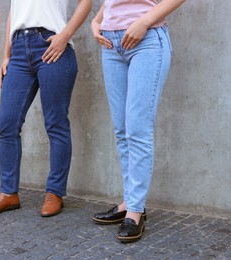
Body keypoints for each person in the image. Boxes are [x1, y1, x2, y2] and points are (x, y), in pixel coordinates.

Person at [0, 0, 92, 217]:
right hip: (19, 48)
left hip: (51, 43)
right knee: (7, 124)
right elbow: (15, 10)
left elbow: (86, 2)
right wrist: (6, 54)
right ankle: (8, 193)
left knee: (55, 123)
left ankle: (55, 193)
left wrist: (65, 36)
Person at [91, 0, 186, 242]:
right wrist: (97, 21)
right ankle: (129, 201)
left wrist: (144, 21)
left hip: (147, 40)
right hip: (110, 44)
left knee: (137, 130)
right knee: (122, 130)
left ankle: (136, 211)